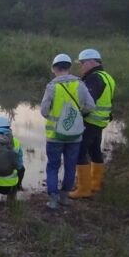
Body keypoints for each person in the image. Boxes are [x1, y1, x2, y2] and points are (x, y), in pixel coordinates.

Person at [41, 54, 95, 210]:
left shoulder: (52, 86)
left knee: (53, 166)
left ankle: (52, 199)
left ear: (54, 68)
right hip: (75, 136)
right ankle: (64, 197)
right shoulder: (80, 84)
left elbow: (44, 111)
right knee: (70, 166)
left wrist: (54, 116)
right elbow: (90, 106)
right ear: (69, 68)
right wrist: (76, 115)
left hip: (54, 136)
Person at [70, 48, 116, 198]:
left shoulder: (94, 78)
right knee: (95, 151)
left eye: (82, 63)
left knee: (80, 153)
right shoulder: (107, 77)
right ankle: (95, 184)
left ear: (91, 62)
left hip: (90, 122)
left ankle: (83, 189)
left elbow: (88, 103)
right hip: (100, 122)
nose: (81, 66)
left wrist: (77, 117)